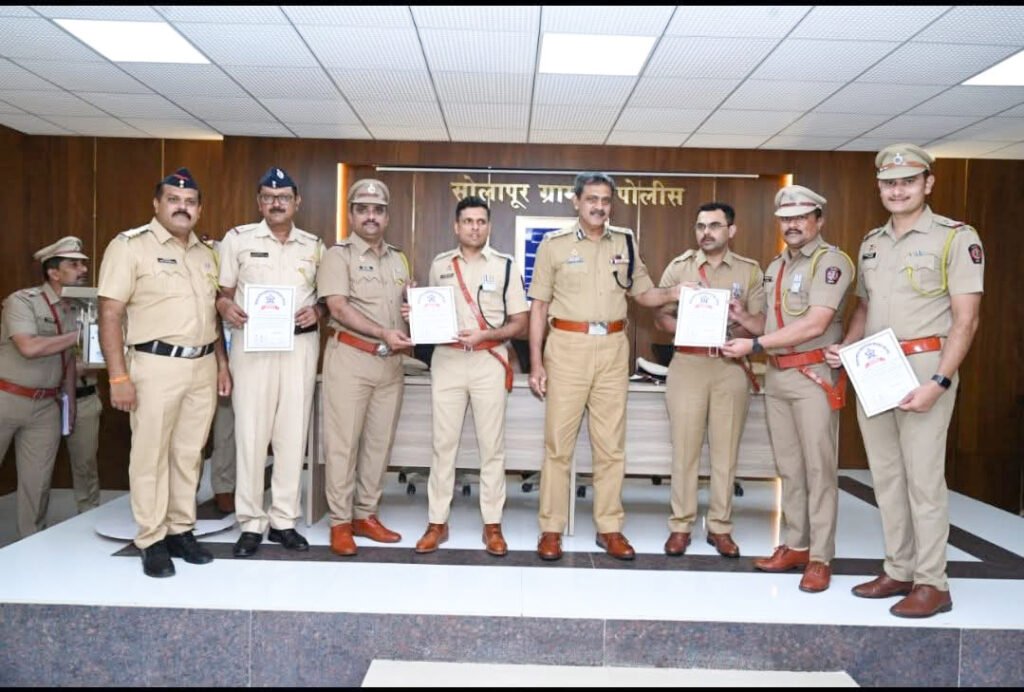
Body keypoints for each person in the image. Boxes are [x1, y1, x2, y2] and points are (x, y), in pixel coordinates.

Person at [824, 144, 984, 618]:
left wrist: (939, 381)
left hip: (924, 366)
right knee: (887, 477)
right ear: (880, 188)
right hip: (876, 367)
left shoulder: (956, 238)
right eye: (889, 183)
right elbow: (864, 307)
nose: (898, 190)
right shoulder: (872, 242)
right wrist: (847, 348)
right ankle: (899, 569)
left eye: (908, 181)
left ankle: (933, 583)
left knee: (924, 480)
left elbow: (967, 320)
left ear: (927, 184)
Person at [527, 172, 680, 561]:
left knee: (611, 446)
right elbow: (539, 306)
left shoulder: (625, 241)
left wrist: (676, 292)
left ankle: (610, 527)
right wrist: (536, 363)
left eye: (606, 200)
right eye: (592, 199)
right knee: (558, 446)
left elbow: (643, 294)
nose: (599, 206)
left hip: (613, 349)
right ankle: (551, 529)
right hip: (566, 348)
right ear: (576, 201)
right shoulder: (553, 245)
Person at [97, 168, 231, 578]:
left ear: (199, 209)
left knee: (189, 455)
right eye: (174, 199)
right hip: (155, 365)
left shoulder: (207, 253)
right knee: (150, 455)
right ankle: (151, 538)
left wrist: (222, 364)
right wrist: (118, 377)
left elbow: (213, 315)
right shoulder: (129, 246)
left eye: (190, 202)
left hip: (202, 365)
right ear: (157, 204)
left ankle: (180, 530)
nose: (182, 207)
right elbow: (110, 314)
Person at [722, 186, 854, 592]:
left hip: (814, 376)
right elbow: (771, 326)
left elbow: (815, 324)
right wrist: (744, 318)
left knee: (819, 469)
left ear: (819, 220)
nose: (792, 225)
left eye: (801, 217)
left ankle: (820, 558)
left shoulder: (830, 263)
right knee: (790, 468)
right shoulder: (776, 265)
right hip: (778, 376)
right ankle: (797, 545)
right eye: (785, 219)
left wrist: (754, 345)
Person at [216, 166, 325, 557]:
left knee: (293, 436)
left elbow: (326, 298)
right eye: (268, 197)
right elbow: (222, 293)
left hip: (299, 347)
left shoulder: (314, 246)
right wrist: (224, 306)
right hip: (253, 347)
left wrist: (319, 312)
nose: (276, 203)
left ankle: (283, 521)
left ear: (297, 202)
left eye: (284, 197)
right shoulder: (238, 240)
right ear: (259, 202)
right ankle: (250, 522)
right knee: (250, 434)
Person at [412, 195, 529, 556]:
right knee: (442, 445)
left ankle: (492, 524)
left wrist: (486, 335)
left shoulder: (505, 266)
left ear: (489, 226)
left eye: (481, 221)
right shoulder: (440, 265)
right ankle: (437, 522)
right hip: (447, 361)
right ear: (456, 226)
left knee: (492, 447)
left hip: (488, 360)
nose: (474, 227)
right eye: (468, 221)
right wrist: (416, 313)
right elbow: (433, 317)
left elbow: (520, 323)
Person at [654, 202, 765, 559]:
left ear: (731, 230)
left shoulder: (749, 271)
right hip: (688, 364)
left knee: (725, 453)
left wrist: (739, 319)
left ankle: (720, 527)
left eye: (715, 226)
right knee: (684, 451)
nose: (706, 232)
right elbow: (659, 317)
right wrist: (686, 328)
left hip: (729, 366)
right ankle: (680, 526)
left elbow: (761, 325)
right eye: (701, 226)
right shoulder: (680, 267)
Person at [318, 179, 413, 557]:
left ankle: (365, 514)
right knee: (343, 445)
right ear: (351, 214)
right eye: (362, 209)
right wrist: (383, 332)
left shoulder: (399, 259)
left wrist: (412, 312)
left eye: (378, 210)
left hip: (390, 365)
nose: (370, 216)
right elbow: (338, 307)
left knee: (378, 444)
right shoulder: (337, 256)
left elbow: (402, 310)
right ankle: (340, 522)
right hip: (351, 360)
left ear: (387, 216)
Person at [0, 237, 86, 537]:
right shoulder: (22, 301)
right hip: (7, 398)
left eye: (83, 264)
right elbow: (29, 347)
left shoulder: (75, 308)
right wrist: (83, 335)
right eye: (74, 265)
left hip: (46, 407)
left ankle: (30, 544)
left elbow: (69, 360)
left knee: (37, 486)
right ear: (53, 272)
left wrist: (70, 404)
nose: (83, 270)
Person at [65, 368, 102, 513]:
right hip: (42, 399)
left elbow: (105, 360)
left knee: (85, 461)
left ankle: (89, 512)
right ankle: (32, 524)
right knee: (37, 466)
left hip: (83, 398)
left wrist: (84, 366)